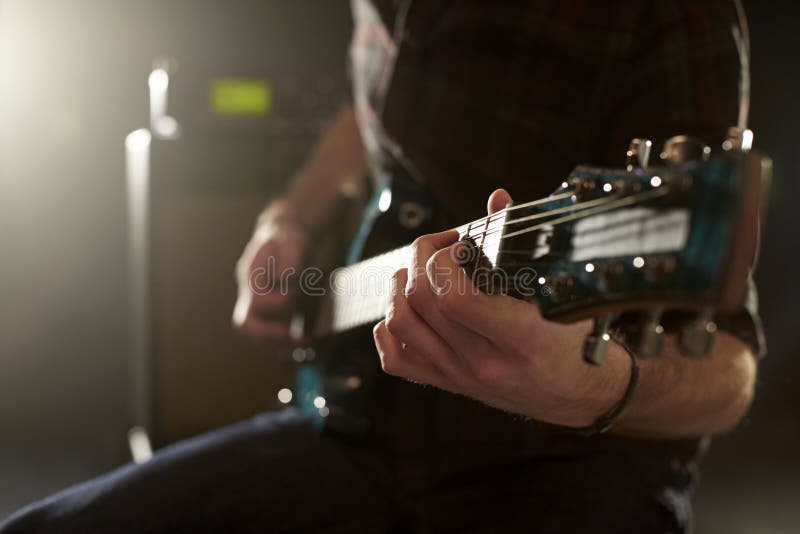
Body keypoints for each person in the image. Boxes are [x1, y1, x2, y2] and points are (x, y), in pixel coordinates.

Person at [1, 1, 765, 532]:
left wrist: (590, 389)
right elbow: (371, 115)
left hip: (561, 466)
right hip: (361, 424)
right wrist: (291, 217)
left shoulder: (671, 13)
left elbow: (729, 370)